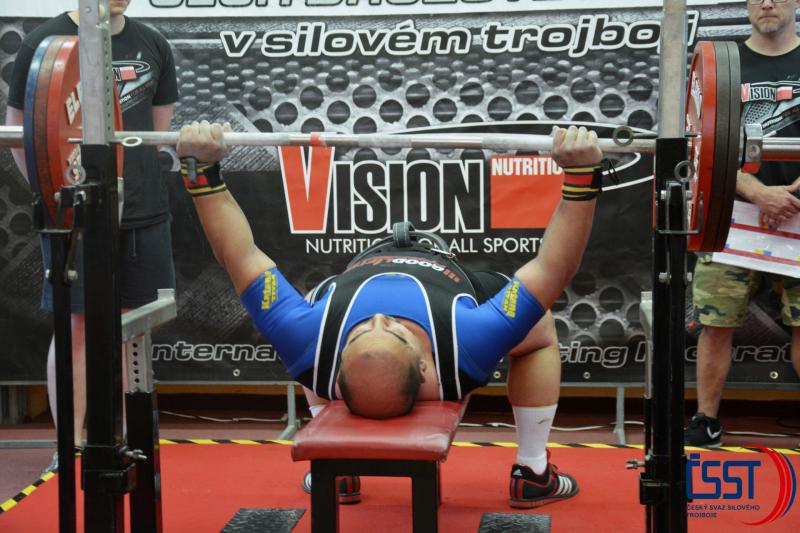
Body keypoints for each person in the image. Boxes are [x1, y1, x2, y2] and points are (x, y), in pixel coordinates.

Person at [176, 120, 603, 508]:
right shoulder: (471, 338)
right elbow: (555, 268)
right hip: (447, 277)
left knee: (306, 326)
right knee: (539, 328)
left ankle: (339, 471)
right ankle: (533, 471)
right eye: (396, 332)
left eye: (362, 331)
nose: (380, 317)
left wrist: (200, 170)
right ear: (425, 366)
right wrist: (581, 175)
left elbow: (239, 254)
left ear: (336, 376)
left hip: (355, 281)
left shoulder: (307, 339)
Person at [5, 0, 179, 461]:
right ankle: (71, 445)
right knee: (78, 324)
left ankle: (124, 441)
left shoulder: (153, 44)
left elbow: (156, 131)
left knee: (134, 324)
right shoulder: (44, 43)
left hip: (142, 209)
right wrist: (55, 193)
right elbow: (21, 134)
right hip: (75, 212)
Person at [686, 0, 800, 448]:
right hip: (730, 217)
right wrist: (757, 192)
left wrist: (791, 195)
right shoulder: (721, 66)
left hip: (798, 214)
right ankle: (706, 420)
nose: (767, 3)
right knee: (716, 321)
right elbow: (700, 143)